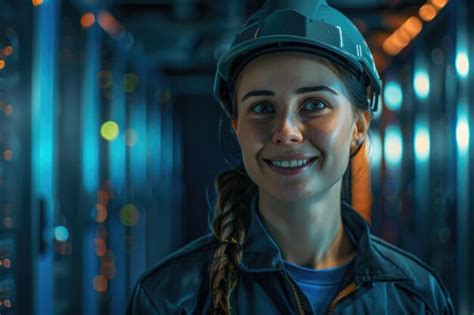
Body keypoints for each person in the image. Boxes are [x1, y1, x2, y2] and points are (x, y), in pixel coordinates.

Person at [127, 0, 455, 314]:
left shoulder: (417, 297)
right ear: (237, 127)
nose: (286, 131)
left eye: (314, 104)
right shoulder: (170, 299)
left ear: (359, 125)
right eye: (262, 107)